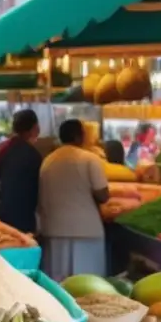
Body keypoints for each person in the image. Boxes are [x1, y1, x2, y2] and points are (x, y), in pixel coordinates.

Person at [37, 119, 111, 281]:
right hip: (86, 232)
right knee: (88, 286)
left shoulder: (48, 161)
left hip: (54, 230)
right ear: (80, 137)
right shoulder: (90, 159)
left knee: (58, 285)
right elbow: (103, 195)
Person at [0, 109, 42, 235]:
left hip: (3, 214)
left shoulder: (3, 149)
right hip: (25, 216)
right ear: (35, 129)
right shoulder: (34, 155)